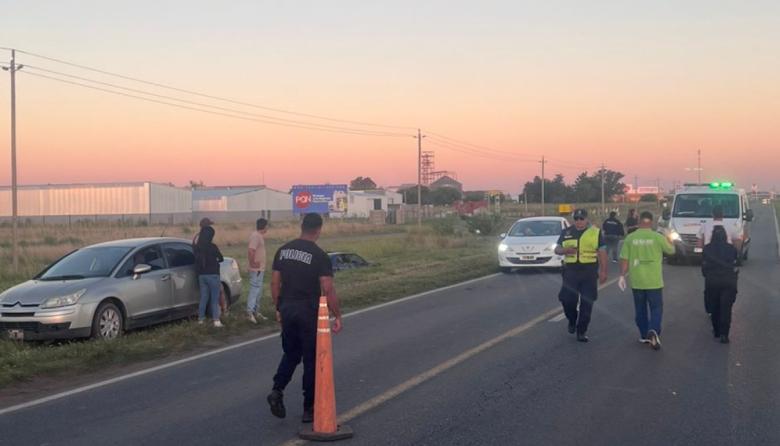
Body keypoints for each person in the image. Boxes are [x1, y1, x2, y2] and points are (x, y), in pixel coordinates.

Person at [267, 213, 344, 423]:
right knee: (311, 359)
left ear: (302, 226)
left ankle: (277, 390)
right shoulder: (319, 255)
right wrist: (337, 315)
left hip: (287, 308)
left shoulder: (283, 250)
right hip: (308, 311)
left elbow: (275, 283)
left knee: (291, 354)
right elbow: (327, 288)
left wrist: (278, 307)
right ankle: (309, 408)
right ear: (319, 229)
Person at [619, 211, 675, 350]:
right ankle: (654, 329)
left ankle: (644, 335)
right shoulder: (657, 237)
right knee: (656, 308)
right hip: (654, 281)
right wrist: (670, 238)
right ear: (651, 222)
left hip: (637, 281)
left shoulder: (630, 238)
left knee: (640, 309)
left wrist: (622, 275)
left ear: (639, 222)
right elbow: (671, 251)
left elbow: (624, 258)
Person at [554, 209, 608, 342]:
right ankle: (572, 319)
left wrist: (603, 271)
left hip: (588, 271)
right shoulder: (566, 232)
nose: (579, 221)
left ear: (586, 219)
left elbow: (602, 252)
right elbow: (557, 249)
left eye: (581, 219)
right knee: (567, 300)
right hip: (570, 271)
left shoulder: (595, 232)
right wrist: (565, 250)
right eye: (576, 219)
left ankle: (581, 331)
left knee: (587, 302)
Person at [702, 226, 739, 344]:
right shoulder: (731, 249)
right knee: (726, 309)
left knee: (715, 307)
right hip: (728, 282)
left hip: (712, 282)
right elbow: (735, 263)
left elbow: (704, 268)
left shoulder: (707, 249)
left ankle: (717, 330)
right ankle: (725, 334)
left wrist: (707, 275)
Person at [193, 217, 228, 315]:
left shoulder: (197, 245)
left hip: (201, 275)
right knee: (215, 297)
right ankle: (216, 318)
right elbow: (221, 258)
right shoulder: (212, 247)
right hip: (213, 274)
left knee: (204, 298)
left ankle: (201, 319)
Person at [247, 218, 269, 323]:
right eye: (267, 226)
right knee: (255, 289)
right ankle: (250, 312)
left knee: (258, 291)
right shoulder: (256, 236)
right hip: (256, 269)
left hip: (260, 269)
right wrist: (253, 263)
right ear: (264, 226)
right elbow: (251, 250)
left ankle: (256, 311)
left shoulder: (259, 236)